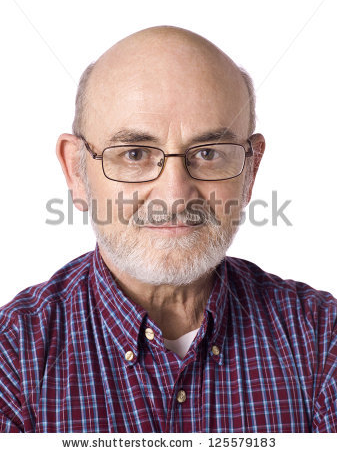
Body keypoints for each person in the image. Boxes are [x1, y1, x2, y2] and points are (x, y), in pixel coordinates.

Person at [0, 26, 336, 433]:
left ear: (251, 170)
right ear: (76, 171)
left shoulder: (321, 339)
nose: (175, 195)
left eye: (208, 153)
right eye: (135, 154)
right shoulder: (12, 357)